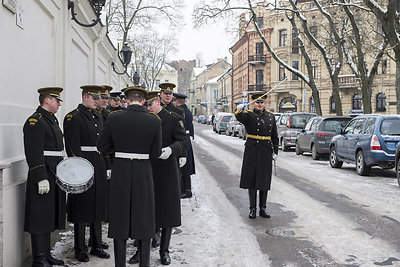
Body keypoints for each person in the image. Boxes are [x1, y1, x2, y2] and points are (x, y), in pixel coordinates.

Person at [97, 86, 162, 267]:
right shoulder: (154, 120)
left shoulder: (114, 117)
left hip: (121, 171)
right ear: (143, 101)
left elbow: (101, 145)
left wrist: (119, 148)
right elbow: (156, 153)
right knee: (144, 218)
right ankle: (145, 263)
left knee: (120, 217)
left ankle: (120, 264)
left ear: (126, 100)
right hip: (143, 172)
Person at [129, 91, 187, 265]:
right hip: (145, 169)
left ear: (158, 102)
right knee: (143, 211)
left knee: (167, 211)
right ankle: (140, 250)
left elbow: (183, 141)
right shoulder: (142, 119)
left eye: (150, 104)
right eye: (145, 105)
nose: (147, 108)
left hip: (166, 170)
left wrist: (171, 150)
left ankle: (164, 250)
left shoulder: (172, 118)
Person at [63, 85, 110, 262]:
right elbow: (72, 147)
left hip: (97, 163)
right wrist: (78, 169)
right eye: (94, 98)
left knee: (98, 205)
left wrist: (107, 166)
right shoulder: (73, 117)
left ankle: (96, 244)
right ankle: (80, 247)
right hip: (82, 166)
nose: (97, 101)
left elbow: (103, 144)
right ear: (85, 97)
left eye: (98, 98)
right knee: (82, 208)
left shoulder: (97, 116)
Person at [23, 87, 66, 267]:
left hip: (53, 172)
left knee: (48, 215)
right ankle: (39, 259)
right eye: (57, 100)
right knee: (40, 217)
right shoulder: (35, 121)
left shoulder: (51, 120)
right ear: (47, 100)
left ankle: (46, 254)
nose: (59, 104)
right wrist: (40, 176)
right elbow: (33, 152)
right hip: (43, 174)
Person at [234, 93, 279, 219]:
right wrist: (239, 109)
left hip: (265, 151)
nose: (260, 104)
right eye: (257, 102)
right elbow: (239, 116)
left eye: (262, 102)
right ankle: (252, 208)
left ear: (264, 103)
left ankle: (263, 208)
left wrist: (275, 151)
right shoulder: (248, 115)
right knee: (252, 181)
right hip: (252, 150)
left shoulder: (270, 116)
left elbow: (274, 136)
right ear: (253, 103)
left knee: (264, 180)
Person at [174, 92, 196, 198]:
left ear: (177, 101)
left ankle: (186, 190)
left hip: (183, 138)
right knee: (186, 166)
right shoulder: (188, 111)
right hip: (187, 138)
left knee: (184, 167)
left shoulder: (180, 112)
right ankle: (187, 189)